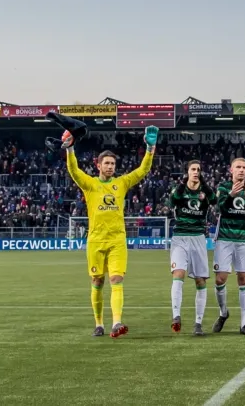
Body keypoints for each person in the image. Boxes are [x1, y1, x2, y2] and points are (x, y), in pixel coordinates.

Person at [60, 119, 157, 338]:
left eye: (113, 164)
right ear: (98, 165)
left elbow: (142, 171)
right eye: (107, 163)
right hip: (95, 240)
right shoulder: (90, 184)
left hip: (117, 241)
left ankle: (116, 322)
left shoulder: (121, 183)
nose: (110, 167)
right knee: (97, 281)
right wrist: (70, 149)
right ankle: (99, 324)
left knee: (116, 279)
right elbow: (74, 171)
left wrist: (150, 149)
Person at [212, 157, 245, 335]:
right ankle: (223, 312)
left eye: (244, 167)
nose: (241, 170)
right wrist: (232, 194)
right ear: (231, 170)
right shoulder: (224, 187)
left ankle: (244, 324)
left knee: (244, 279)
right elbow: (220, 209)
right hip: (224, 238)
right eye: (238, 167)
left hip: (244, 239)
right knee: (220, 279)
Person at [168, 160, 217, 336]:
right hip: (180, 237)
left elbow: (215, 200)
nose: (196, 172)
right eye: (193, 169)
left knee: (200, 281)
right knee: (178, 274)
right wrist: (183, 183)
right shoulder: (179, 190)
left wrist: (203, 183)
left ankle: (198, 323)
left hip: (198, 238)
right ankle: (176, 316)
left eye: (198, 170)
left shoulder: (205, 191)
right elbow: (172, 201)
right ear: (187, 172)